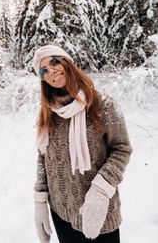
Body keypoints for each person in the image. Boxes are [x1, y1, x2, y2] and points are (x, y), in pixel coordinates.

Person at [32, 45, 132, 243]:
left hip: (98, 209)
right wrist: (40, 201)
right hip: (60, 211)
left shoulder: (102, 104)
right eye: (43, 71)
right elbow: (43, 156)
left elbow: (122, 149)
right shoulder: (49, 111)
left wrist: (100, 191)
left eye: (54, 62)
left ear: (67, 62)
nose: (51, 71)